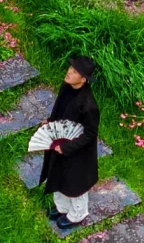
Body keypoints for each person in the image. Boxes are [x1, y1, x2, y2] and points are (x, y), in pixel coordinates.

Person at [40, 55, 100, 232]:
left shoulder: (89, 105)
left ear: (83, 79)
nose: (69, 72)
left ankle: (77, 215)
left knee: (75, 183)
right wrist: (51, 122)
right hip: (59, 140)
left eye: (74, 72)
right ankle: (62, 209)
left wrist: (67, 147)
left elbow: (90, 133)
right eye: (70, 68)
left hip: (77, 151)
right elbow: (59, 109)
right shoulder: (66, 87)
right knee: (58, 174)